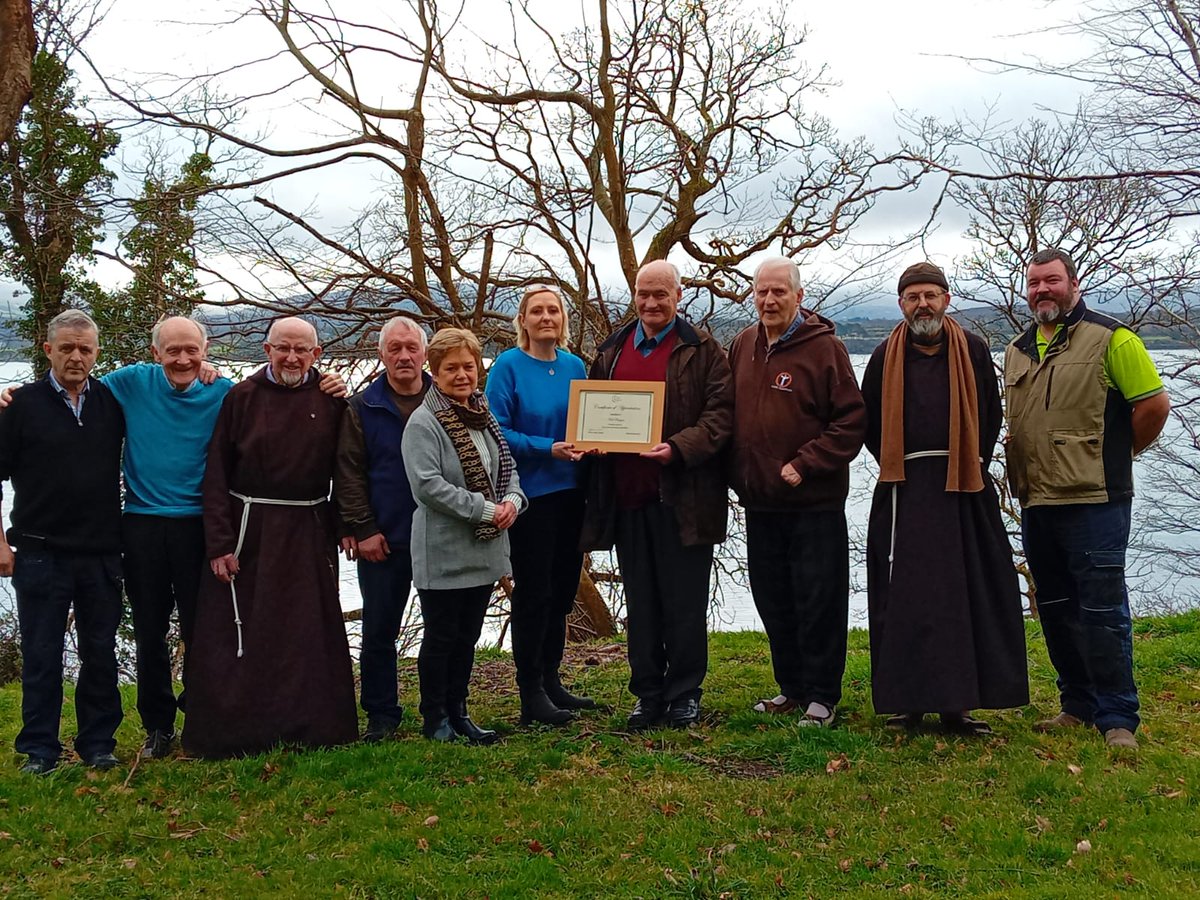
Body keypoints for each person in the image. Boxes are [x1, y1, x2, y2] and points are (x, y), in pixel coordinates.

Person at [1004, 249, 1170, 751]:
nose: (1041, 291)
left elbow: (1153, 406)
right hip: (1037, 500)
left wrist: (1120, 453)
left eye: (1051, 280)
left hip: (1096, 500)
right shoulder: (1016, 349)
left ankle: (1118, 717)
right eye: (1033, 283)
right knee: (1055, 607)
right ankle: (1076, 704)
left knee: (1101, 610)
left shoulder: (1113, 339)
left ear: (1073, 284)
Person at [861, 262, 1028, 735]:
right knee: (906, 598)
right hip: (905, 488)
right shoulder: (882, 355)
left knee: (963, 594)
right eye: (913, 297)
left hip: (962, 486)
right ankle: (909, 703)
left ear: (947, 299)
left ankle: (959, 705)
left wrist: (966, 461)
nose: (923, 305)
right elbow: (869, 422)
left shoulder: (973, 350)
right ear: (901, 304)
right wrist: (902, 462)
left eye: (931, 295)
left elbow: (991, 417)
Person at [181, 317, 357, 758]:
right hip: (250, 530)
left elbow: (347, 469)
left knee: (306, 630)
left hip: (309, 529)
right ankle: (239, 732)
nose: (292, 357)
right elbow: (216, 474)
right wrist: (219, 543)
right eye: (283, 348)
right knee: (245, 631)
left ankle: (313, 728)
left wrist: (348, 525)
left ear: (317, 354)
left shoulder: (332, 399)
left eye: (302, 350)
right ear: (267, 350)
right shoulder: (241, 397)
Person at [579, 260, 734, 730]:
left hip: (682, 497)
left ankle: (685, 693)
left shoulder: (703, 350)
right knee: (642, 603)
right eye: (643, 294)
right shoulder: (611, 349)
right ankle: (647, 694)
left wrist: (678, 448)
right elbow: (592, 411)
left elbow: (722, 415)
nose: (650, 303)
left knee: (684, 601)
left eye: (660, 294)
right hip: (627, 499)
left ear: (678, 295)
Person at [727, 257, 866, 728]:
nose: (769, 301)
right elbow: (727, 415)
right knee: (774, 599)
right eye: (762, 292)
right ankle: (791, 689)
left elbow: (852, 422)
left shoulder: (826, 349)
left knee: (818, 601)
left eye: (779, 293)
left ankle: (823, 696)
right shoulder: (743, 345)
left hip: (813, 504)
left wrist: (805, 464)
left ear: (799, 296)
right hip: (760, 503)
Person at [0, 310, 125, 774]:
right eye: (67, 347)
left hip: (101, 552)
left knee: (100, 651)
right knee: (42, 654)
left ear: (96, 352)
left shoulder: (111, 403)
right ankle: (39, 750)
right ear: (48, 349)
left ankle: (98, 744)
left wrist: (210, 370)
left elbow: (171, 385)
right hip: (39, 551)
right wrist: (1, 546)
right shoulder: (20, 405)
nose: (76, 356)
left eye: (85, 349)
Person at [402, 327, 527, 744]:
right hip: (442, 550)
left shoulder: (484, 414)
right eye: (450, 368)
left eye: (468, 366)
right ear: (433, 372)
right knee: (442, 638)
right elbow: (428, 487)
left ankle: (460, 713)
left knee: (468, 637)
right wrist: (489, 509)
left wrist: (513, 501)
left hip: (485, 548)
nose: (461, 375)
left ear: (479, 369)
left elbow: (506, 472)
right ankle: (434, 718)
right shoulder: (423, 422)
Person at [485, 284, 592, 727]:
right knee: (534, 594)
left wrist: (598, 443)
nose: (547, 317)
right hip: (529, 497)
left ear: (563, 319)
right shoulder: (508, 367)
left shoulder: (575, 366)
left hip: (573, 493)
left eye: (554, 310)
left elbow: (593, 421)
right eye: (537, 311)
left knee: (563, 593)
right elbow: (496, 430)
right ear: (523, 321)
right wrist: (547, 448)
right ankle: (530, 693)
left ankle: (551, 681)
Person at [335, 315, 432, 742]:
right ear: (381, 354)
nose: (404, 356)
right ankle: (381, 714)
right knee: (378, 631)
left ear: (425, 353)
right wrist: (363, 527)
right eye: (395, 348)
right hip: (383, 539)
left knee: (443, 630)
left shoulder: (446, 399)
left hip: (439, 538)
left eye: (411, 348)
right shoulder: (361, 406)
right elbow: (349, 473)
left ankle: (441, 707)